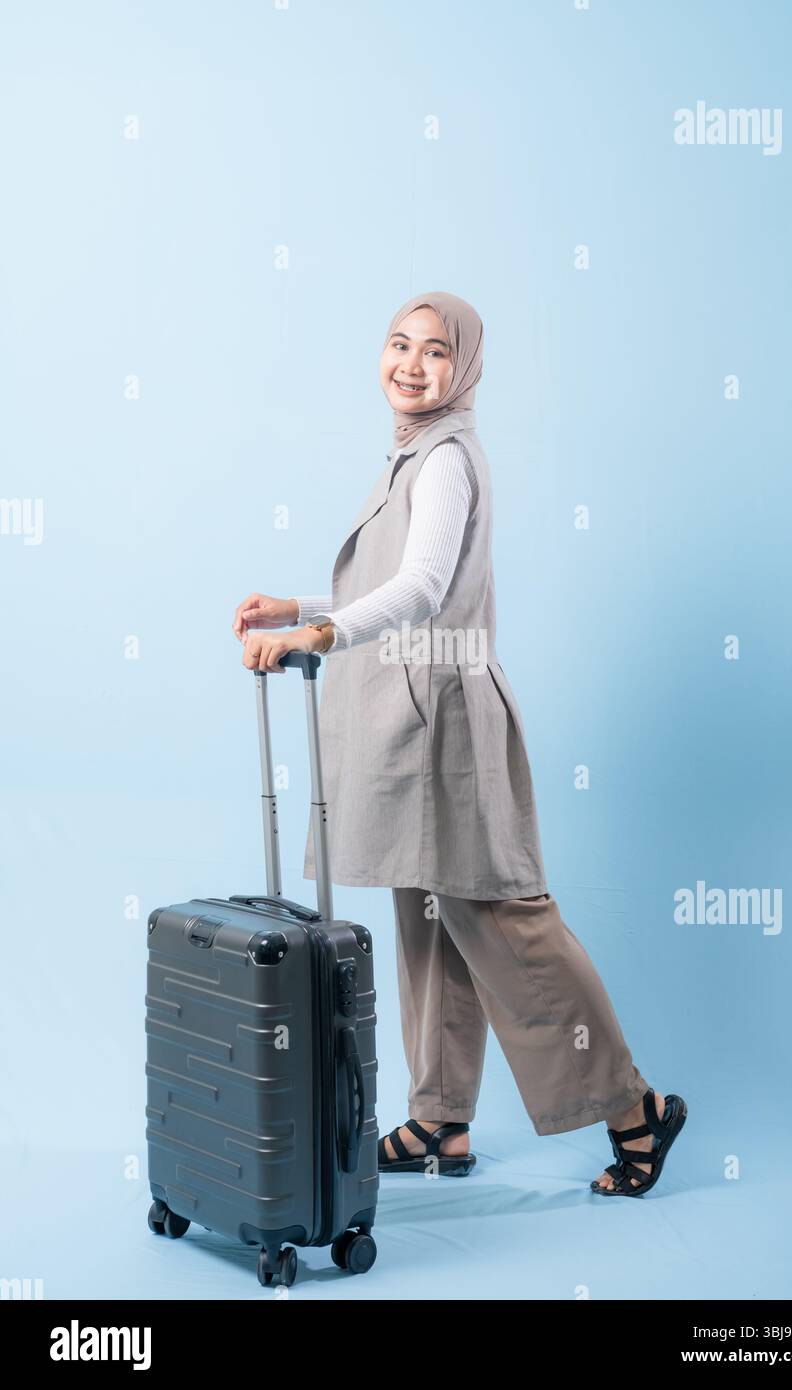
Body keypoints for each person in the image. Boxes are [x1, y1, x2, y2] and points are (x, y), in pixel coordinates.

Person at [232, 291, 687, 1195]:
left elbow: (424, 588)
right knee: (428, 924)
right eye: (398, 344)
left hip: (447, 718)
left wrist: (315, 638)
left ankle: (637, 1107)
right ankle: (441, 1119)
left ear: (465, 369)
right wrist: (300, 605)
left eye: (435, 352)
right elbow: (396, 579)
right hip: (413, 713)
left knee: (506, 922)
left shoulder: (443, 458)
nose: (411, 364)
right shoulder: (412, 453)